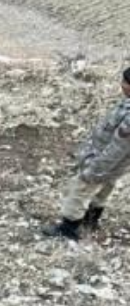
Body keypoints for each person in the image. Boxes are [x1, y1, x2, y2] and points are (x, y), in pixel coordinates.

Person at [45, 67, 130, 241]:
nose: (121, 85)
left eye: (125, 82)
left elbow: (118, 147)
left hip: (105, 161)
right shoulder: (126, 103)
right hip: (113, 164)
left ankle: (68, 228)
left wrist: (96, 167)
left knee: (82, 188)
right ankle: (91, 220)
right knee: (104, 188)